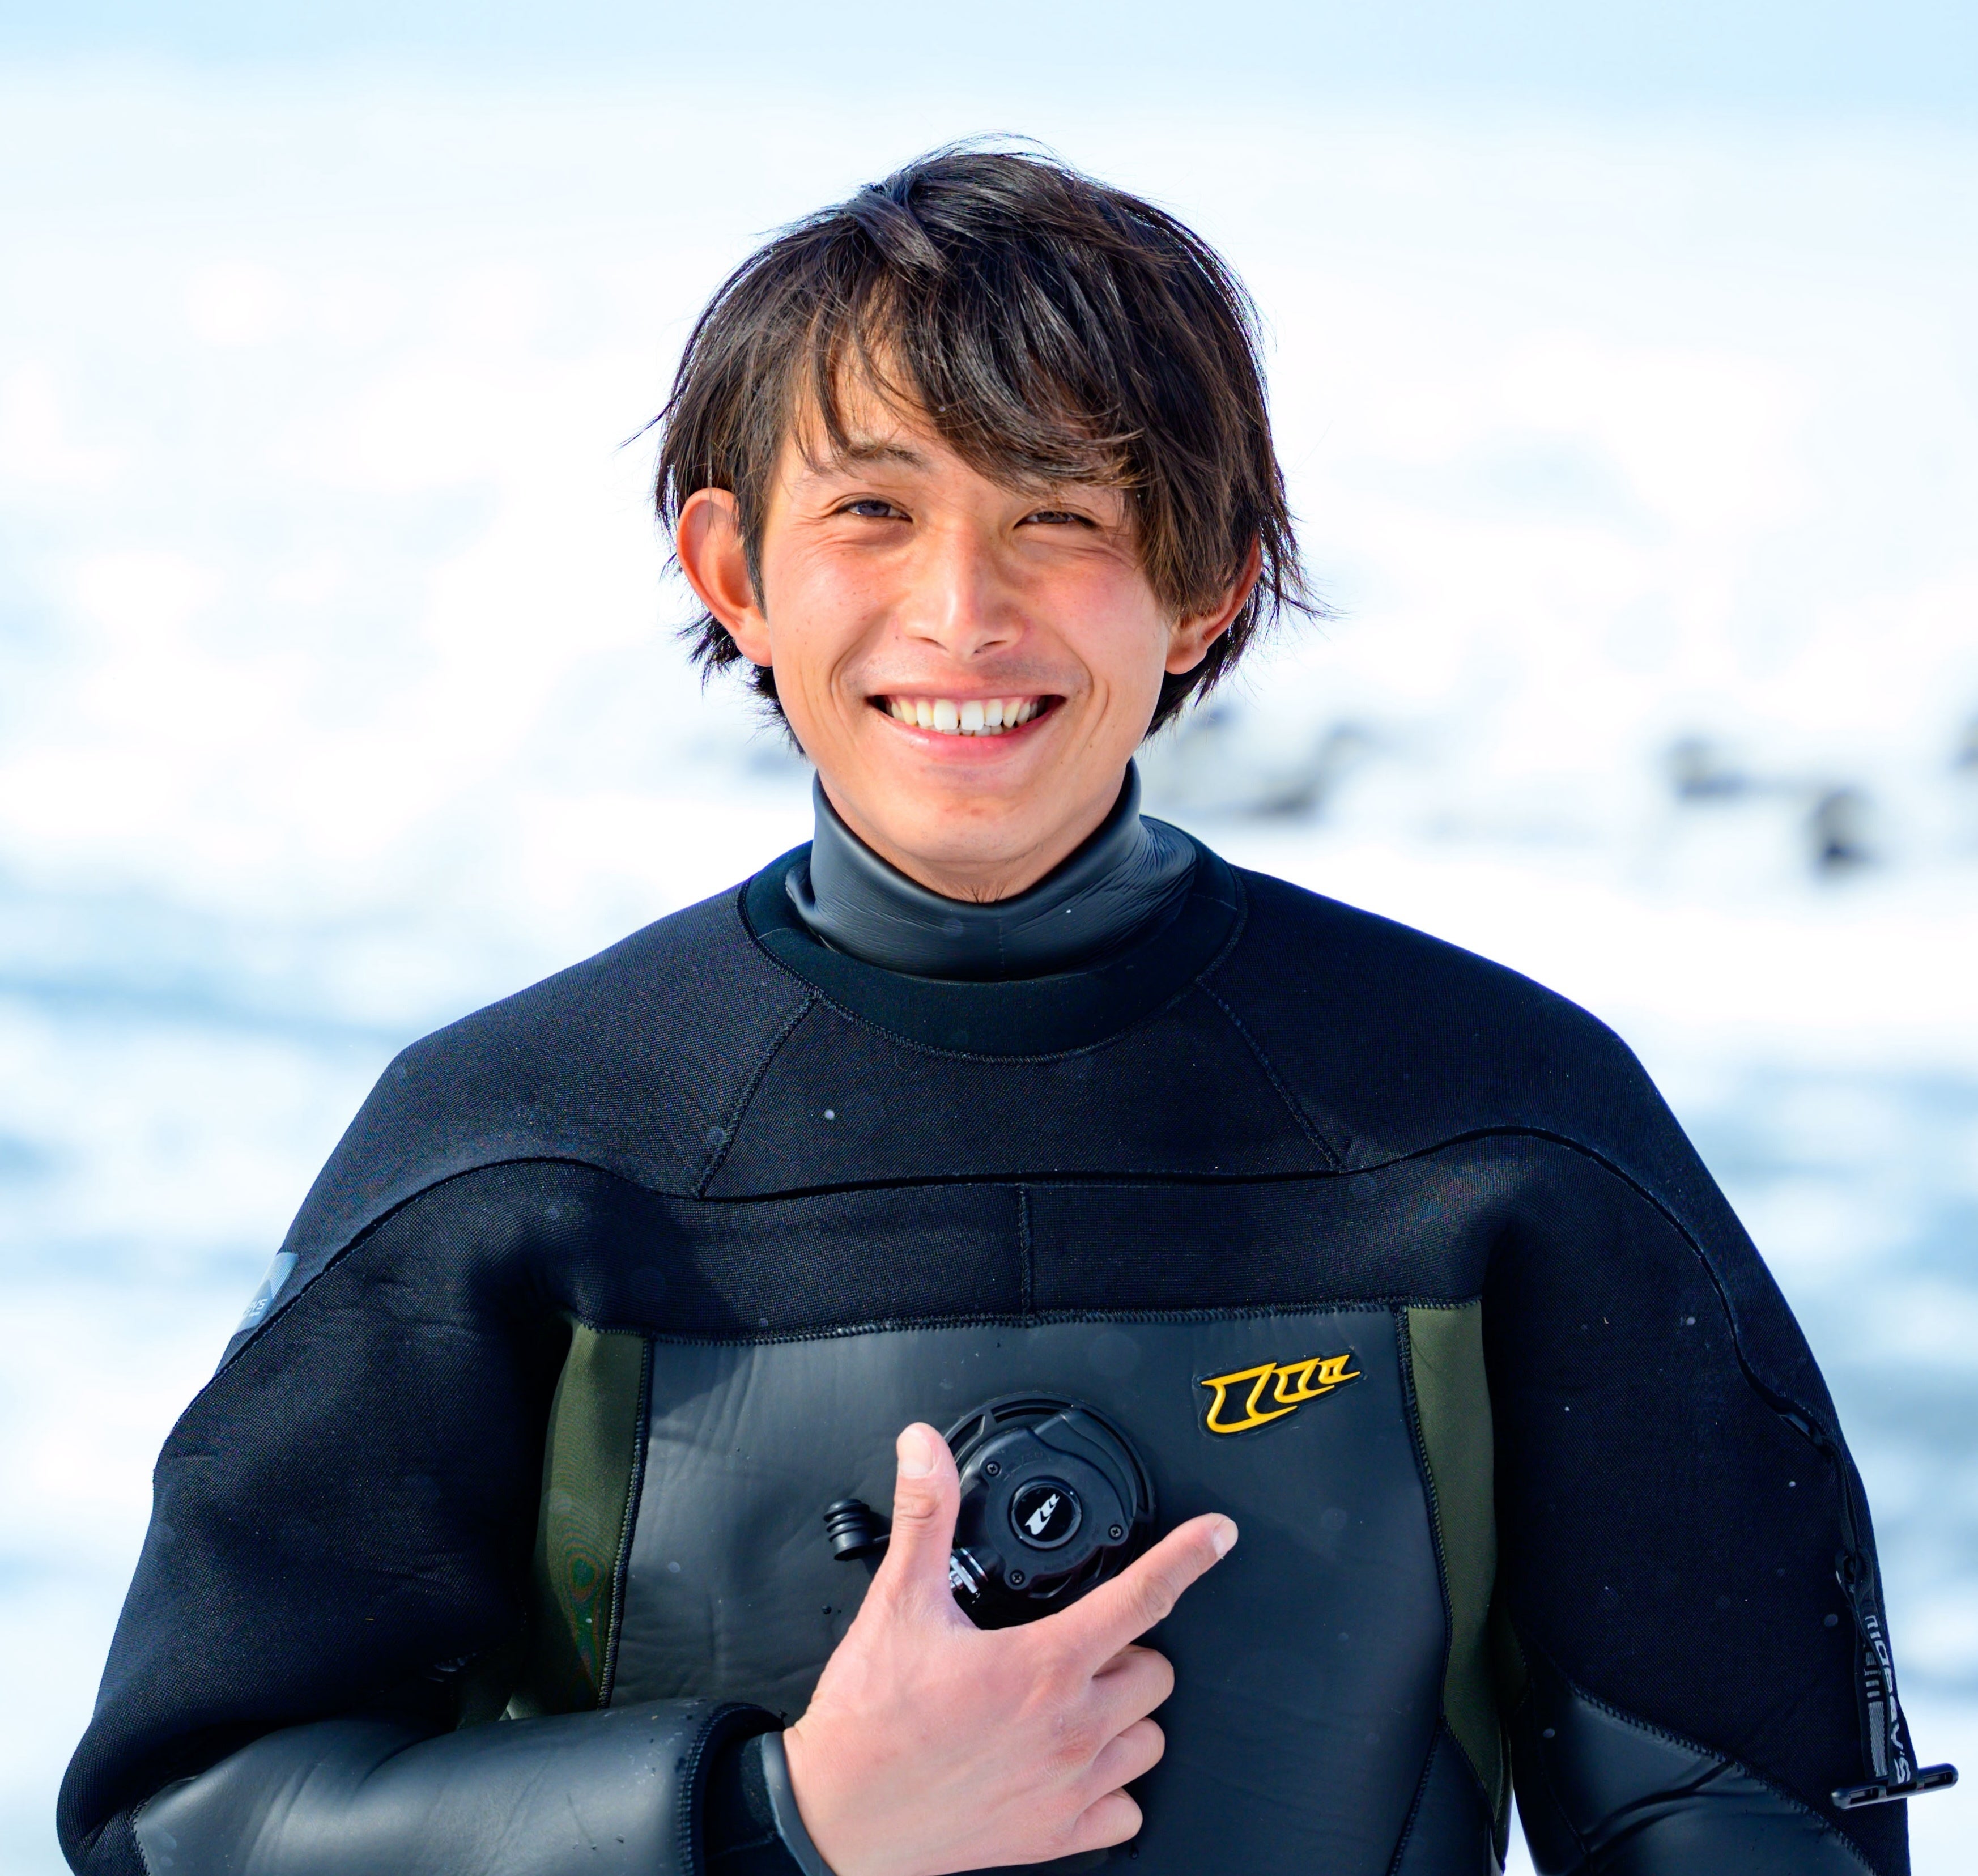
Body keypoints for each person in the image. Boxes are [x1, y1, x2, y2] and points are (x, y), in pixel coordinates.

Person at [57, 147, 1948, 1876]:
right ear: (736, 570)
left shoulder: (1494, 1126)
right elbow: (186, 1823)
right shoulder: (521, 1147)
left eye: (1055, 516)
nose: (961, 611)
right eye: (873, 510)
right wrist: (776, 1815)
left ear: (1203, 582)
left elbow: (1750, 1823)